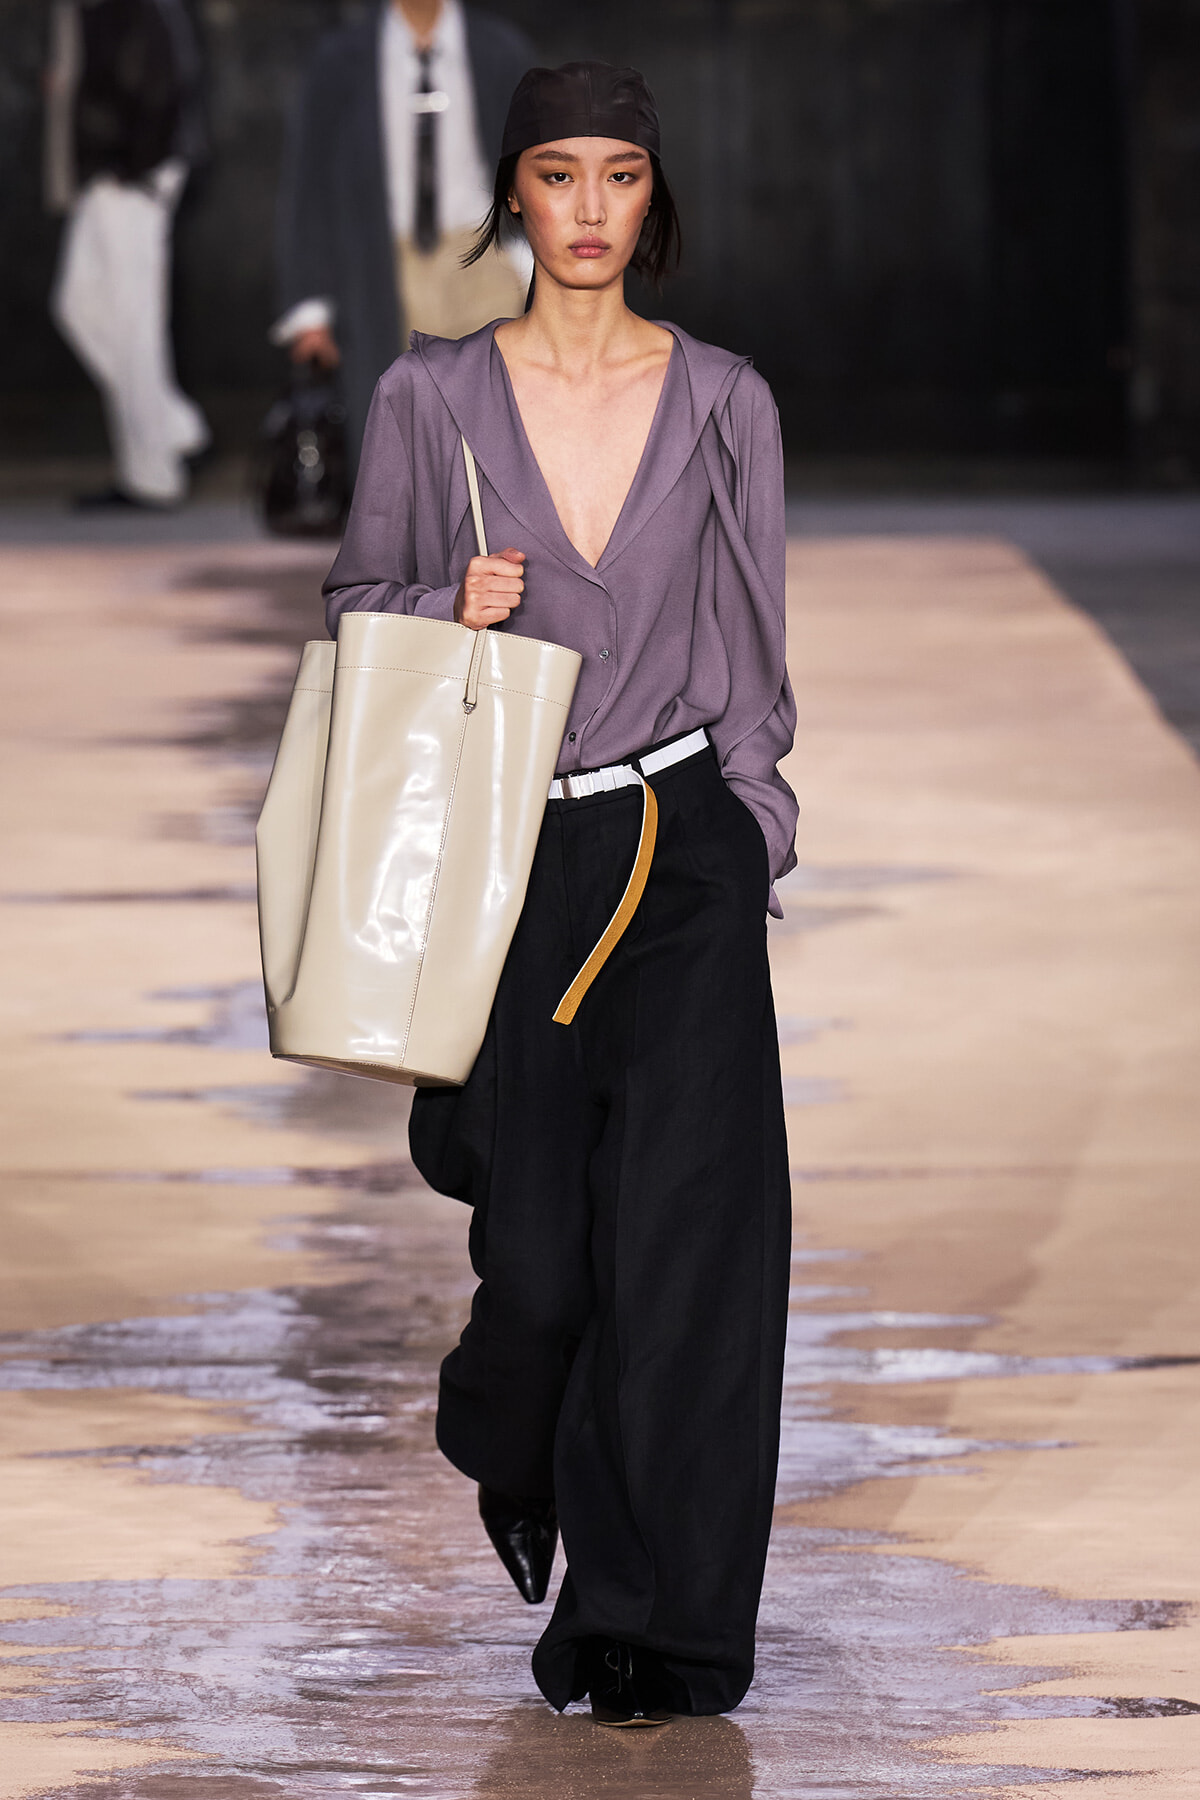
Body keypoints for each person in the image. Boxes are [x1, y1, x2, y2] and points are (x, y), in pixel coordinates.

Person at [323, 62, 798, 1726]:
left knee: (686, 1260)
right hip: (507, 858)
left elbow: (753, 640)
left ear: (652, 201)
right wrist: (448, 599)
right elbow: (355, 607)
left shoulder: (728, 398)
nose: (588, 209)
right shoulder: (429, 399)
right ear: (511, 200)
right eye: (554, 175)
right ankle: (508, 1432)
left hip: (678, 849)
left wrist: (753, 834)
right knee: (538, 1262)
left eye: (618, 177)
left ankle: (651, 1627)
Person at [274, 0, 535, 472]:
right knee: (401, 428)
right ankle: (412, 541)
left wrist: (533, 259)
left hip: (483, 257)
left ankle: (493, 537)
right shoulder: (341, 59)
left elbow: (537, 159)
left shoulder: (498, 50)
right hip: (382, 262)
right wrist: (310, 302)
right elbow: (307, 182)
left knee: (498, 419)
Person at [46, 0, 210, 509]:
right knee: (79, 307)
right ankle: (173, 426)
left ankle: (152, 475)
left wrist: (135, 163)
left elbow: (166, 74)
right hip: (109, 170)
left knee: (134, 323)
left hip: (131, 171)